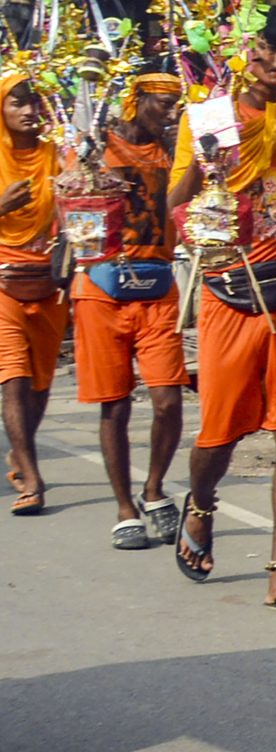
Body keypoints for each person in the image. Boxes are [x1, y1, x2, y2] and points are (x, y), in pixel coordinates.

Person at [169, 34, 276, 615]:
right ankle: (200, 502)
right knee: (218, 432)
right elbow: (177, 202)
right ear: (243, 58)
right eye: (266, 52)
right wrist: (207, 158)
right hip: (226, 291)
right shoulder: (207, 117)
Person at [73, 70, 186, 547]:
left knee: (168, 401)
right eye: (162, 103)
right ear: (136, 101)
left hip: (157, 288)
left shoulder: (177, 151)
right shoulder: (100, 143)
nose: (170, 112)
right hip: (102, 289)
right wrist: (86, 166)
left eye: (176, 103)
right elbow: (76, 206)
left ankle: (155, 489)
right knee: (114, 405)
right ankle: (124, 508)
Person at [0, 69, 66, 516]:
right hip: (2, 284)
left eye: (34, 102)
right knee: (14, 378)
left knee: (40, 383)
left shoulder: (57, 156)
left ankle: (20, 453)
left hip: (48, 284)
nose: (28, 111)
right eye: (16, 102)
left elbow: (77, 211)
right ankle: (32, 475)